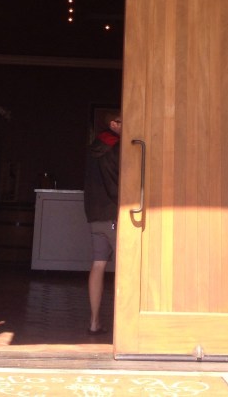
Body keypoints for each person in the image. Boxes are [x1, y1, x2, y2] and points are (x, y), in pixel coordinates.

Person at [83, 109, 122, 334]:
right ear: (114, 124)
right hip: (114, 214)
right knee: (126, 268)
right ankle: (126, 325)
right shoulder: (119, 147)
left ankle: (94, 321)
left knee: (98, 264)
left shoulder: (93, 148)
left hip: (95, 215)